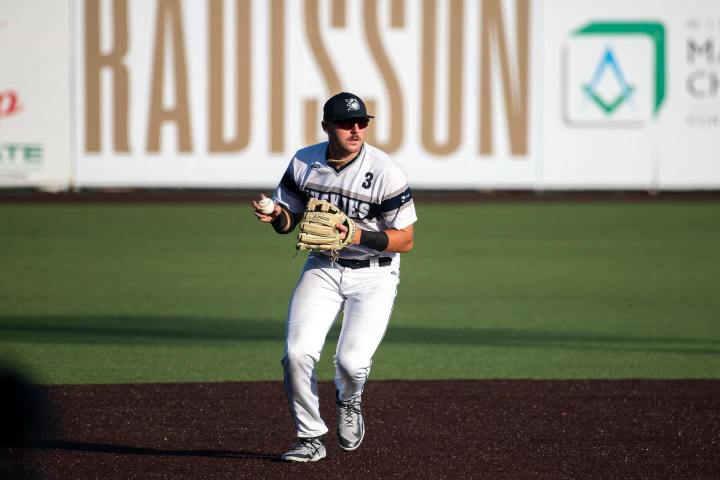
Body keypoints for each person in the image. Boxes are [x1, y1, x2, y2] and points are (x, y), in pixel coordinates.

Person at [251, 92, 417, 462]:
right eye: (345, 123)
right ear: (327, 126)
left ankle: (349, 398)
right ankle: (310, 437)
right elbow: (289, 219)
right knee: (296, 353)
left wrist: (356, 235)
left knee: (351, 363)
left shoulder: (386, 171)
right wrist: (275, 215)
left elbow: (405, 240)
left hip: (376, 275)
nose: (356, 129)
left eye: (362, 123)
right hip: (323, 266)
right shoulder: (304, 162)